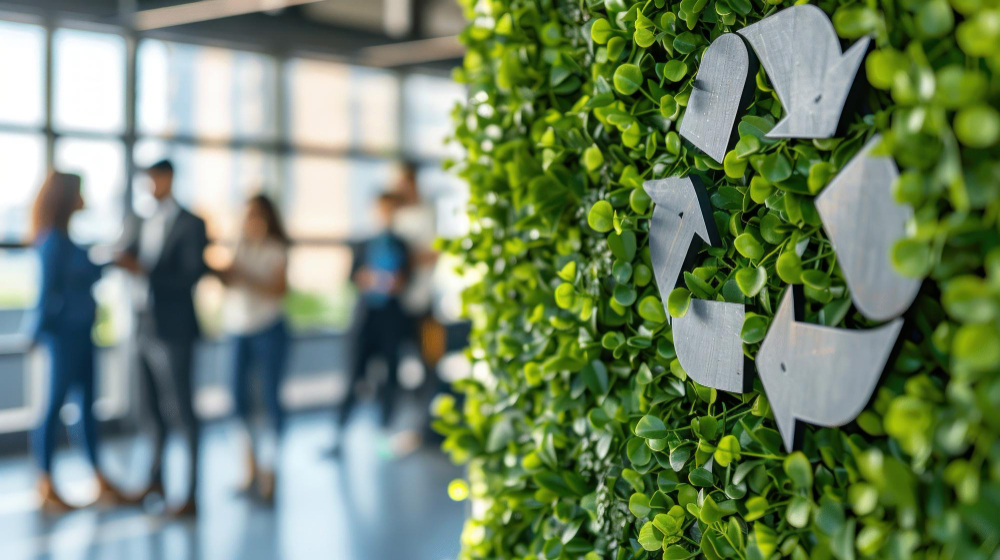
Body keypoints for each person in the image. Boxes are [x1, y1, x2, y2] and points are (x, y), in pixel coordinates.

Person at [26, 171, 126, 512]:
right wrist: (36, 333)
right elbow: (46, 293)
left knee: (87, 408)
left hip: (84, 333)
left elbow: (84, 275)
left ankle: (98, 476)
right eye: (80, 193)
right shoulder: (52, 241)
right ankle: (45, 481)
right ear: (68, 197)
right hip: (64, 336)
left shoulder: (70, 240)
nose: (86, 199)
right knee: (54, 406)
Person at [115, 159, 207, 516]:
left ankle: (192, 491)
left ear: (168, 177)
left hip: (175, 326)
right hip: (141, 322)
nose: (150, 185)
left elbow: (190, 276)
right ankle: (157, 481)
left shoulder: (191, 223)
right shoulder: (137, 219)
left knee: (182, 409)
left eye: (154, 178)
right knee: (149, 408)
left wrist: (146, 272)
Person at [214, 194, 290, 502]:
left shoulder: (276, 249)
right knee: (237, 401)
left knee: (271, 400)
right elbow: (228, 282)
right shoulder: (237, 247)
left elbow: (278, 290)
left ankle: (270, 471)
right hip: (237, 329)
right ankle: (249, 469)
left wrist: (245, 274)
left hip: (269, 328)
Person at [331, 193, 411, 456]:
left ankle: (384, 434)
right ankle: (339, 435)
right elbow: (352, 277)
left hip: (390, 320)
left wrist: (387, 282)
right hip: (366, 320)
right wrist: (373, 279)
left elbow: (404, 281)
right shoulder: (363, 244)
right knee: (354, 376)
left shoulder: (401, 244)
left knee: (390, 377)